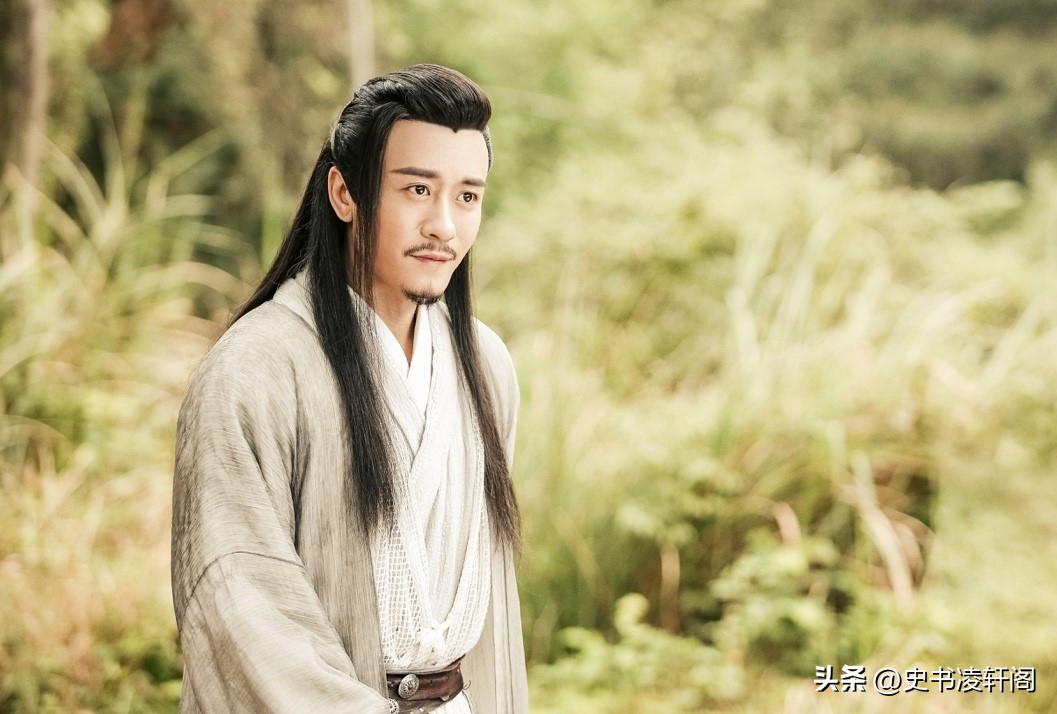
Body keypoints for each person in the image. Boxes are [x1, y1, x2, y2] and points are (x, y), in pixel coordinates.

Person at [170, 64, 529, 714]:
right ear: (344, 193)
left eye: (467, 197)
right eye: (417, 189)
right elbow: (239, 608)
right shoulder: (255, 370)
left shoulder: (485, 366)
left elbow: (494, 615)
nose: (444, 225)